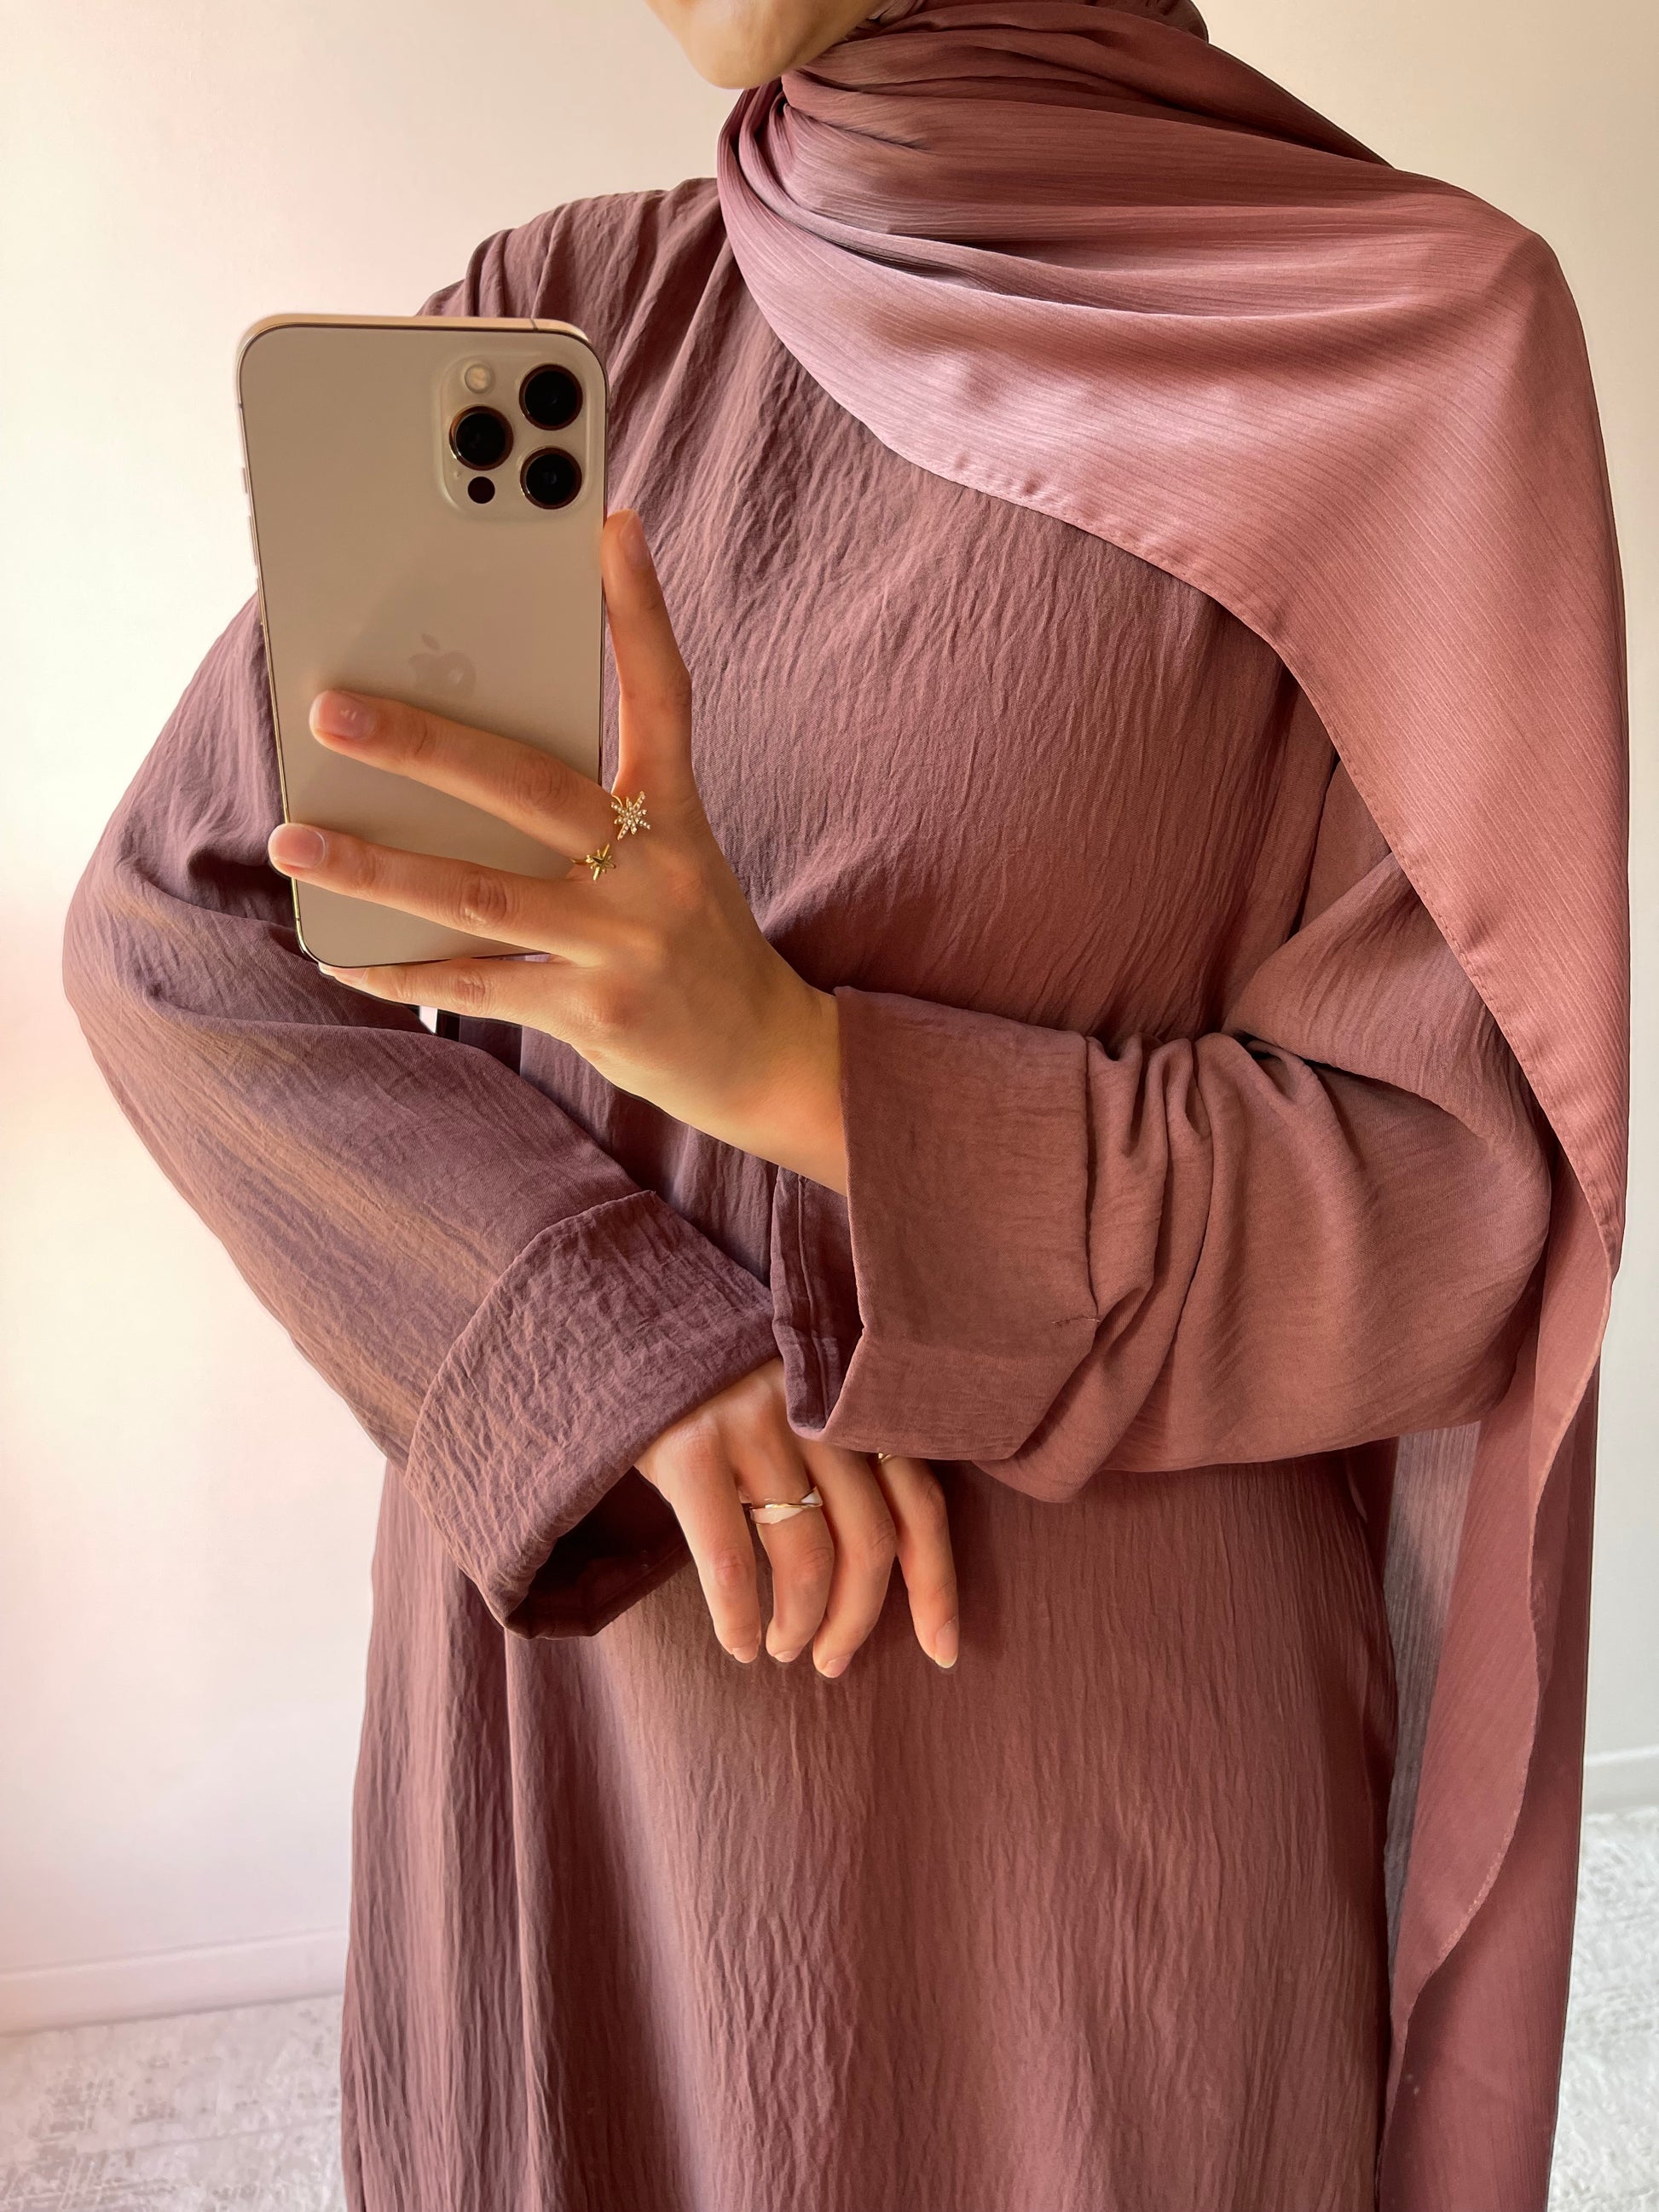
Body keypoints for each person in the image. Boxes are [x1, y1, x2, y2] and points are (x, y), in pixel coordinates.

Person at [61, 1, 1628, 2207]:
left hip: (1075, 1815)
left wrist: (781, 1057)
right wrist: (613, 1345)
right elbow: (178, 938)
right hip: (606, 1714)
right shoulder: (570, 314)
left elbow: (1437, 1215)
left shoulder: (1399, 350)